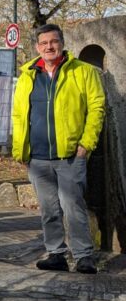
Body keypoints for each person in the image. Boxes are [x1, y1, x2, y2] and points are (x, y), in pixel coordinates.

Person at [12, 24, 105, 274]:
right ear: (37, 47)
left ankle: (84, 255)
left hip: (71, 155)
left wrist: (86, 144)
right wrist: (20, 150)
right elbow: (19, 115)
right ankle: (56, 254)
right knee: (49, 210)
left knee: (73, 206)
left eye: (53, 42)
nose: (49, 47)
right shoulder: (28, 75)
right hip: (38, 157)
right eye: (43, 43)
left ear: (62, 43)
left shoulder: (83, 72)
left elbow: (97, 109)